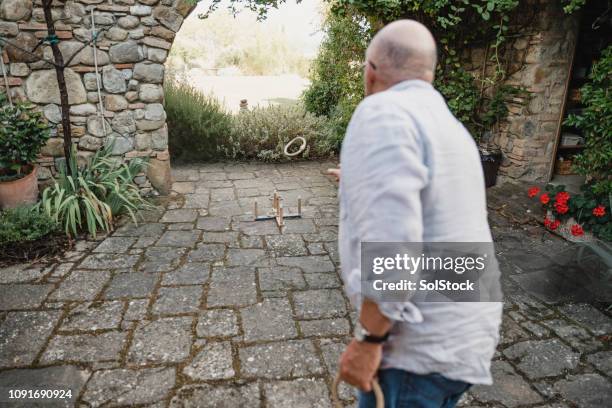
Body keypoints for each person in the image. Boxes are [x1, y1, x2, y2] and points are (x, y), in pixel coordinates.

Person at [330, 20, 502, 408]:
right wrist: (359, 180)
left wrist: (369, 340)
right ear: (429, 73)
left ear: (370, 71)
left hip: (416, 351)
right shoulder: (450, 127)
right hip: (467, 334)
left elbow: (396, 251)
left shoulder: (382, 112)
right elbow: (433, 206)